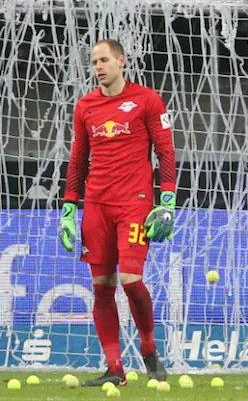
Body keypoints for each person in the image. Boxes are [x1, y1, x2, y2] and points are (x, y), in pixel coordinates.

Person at [58, 39, 177, 386]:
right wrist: (69, 209)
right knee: (102, 287)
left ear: (121, 62)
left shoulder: (148, 100)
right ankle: (115, 368)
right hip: (96, 206)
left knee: (131, 280)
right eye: (94, 61)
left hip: (135, 203)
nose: (98, 67)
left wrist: (166, 202)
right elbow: (78, 159)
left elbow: (165, 153)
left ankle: (149, 346)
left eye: (104, 60)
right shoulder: (85, 106)